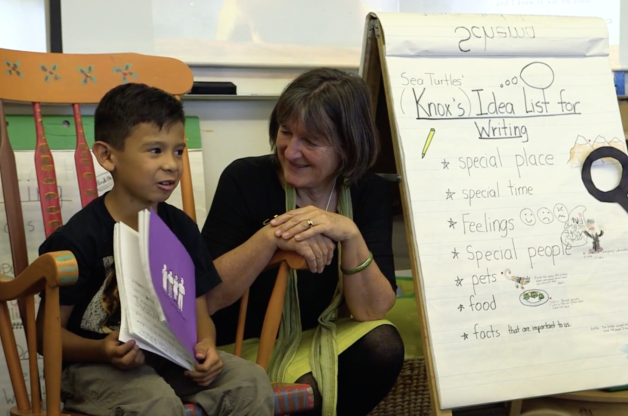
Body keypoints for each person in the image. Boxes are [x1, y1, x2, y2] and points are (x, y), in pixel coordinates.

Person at [35, 83, 274, 416]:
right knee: (157, 402)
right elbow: (45, 337)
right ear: (107, 156)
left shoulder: (181, 228)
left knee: (250, 379)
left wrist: (205, 347)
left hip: (169, 360)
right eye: (155, 151)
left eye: (178, 151)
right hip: (91, 367)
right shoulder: (79, 238)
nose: (172, 164)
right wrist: (102, 350)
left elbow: (199, 313)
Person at [202, 68, 404, 416]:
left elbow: (372, 311)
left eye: (310, 142)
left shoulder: (366, 191)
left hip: (320, 336)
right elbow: (207, 297)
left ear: (349, 146)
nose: (291, 151)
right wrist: (272, 236)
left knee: (382, 345)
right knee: (309, 388)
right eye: (285, 132)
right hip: (241, 345)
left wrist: (349, 232)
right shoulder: (245, 179)